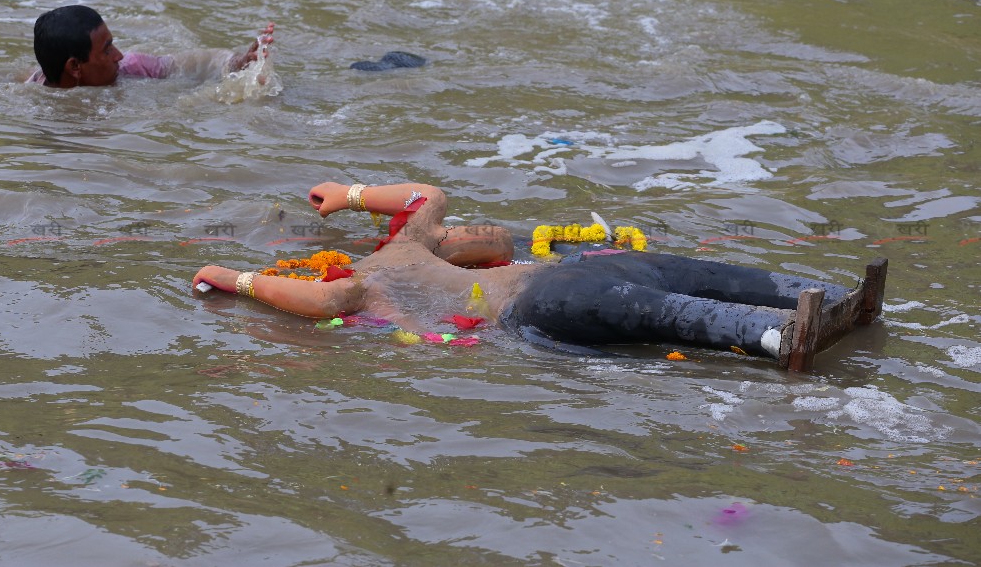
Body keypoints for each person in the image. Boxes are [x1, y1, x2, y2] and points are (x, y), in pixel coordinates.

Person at [192, 181, 887, 371]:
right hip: (579, 267)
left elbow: (318, 300)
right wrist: (349, 190)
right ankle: (827, 293)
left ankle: (777, 335)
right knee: (700, 274)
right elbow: (428, 194)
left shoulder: (369, 277)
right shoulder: (406, 244)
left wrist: (234, 278)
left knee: (670, 315)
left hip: (543, 301)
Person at [27, 4, 274, 88]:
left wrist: (238, 63)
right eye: (107, 50)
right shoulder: (34, 96)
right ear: (75, 67)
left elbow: (197, 62)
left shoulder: (131, 66)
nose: (118, 55)